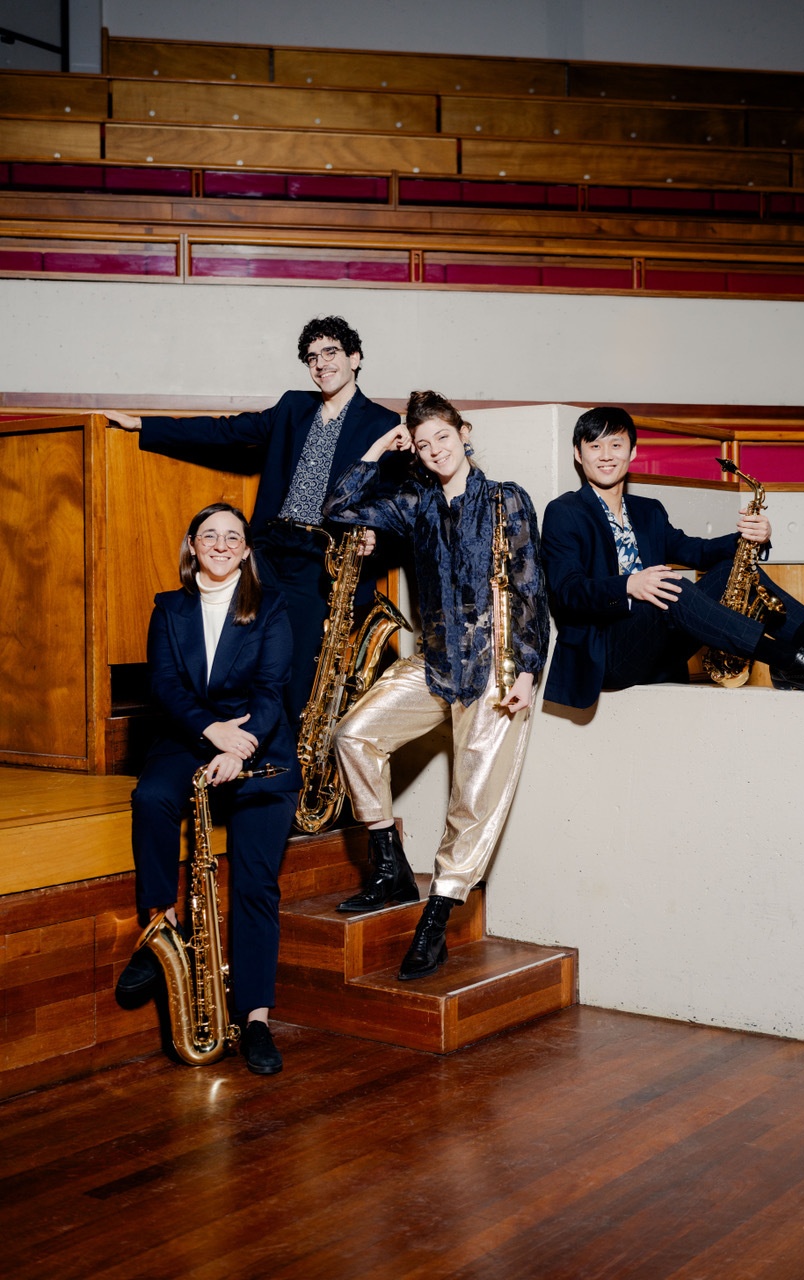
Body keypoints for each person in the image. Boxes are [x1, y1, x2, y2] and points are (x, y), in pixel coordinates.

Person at [323, 391, 550, 980]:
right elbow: (339, 507)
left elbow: (530, 587)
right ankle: (389, 867)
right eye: (423, 444)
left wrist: (528, 670)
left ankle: (437, 917)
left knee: (471, 798)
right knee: (352, 735)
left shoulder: (505, 499)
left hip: (497, 668)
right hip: (436, 662)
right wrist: (381, 446)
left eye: (442, 437)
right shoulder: (414, 503)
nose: (434, 450)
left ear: (464, 432)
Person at [104, 315, 401, 722]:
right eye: (312, 357)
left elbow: (391, 501)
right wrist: (143, 425)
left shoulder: (382, 423)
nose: (320, 363)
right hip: (268, 550)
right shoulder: (293, 407)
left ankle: (287, 756)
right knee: (246, 656)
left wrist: (375, 537)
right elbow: (225, 432)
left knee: (296, 671)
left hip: (321, 560)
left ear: (355, 358)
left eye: (330, 352)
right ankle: (237, 743)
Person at [114, 502, 301, 1075]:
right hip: (191, 735)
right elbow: (165, 686)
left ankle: (257, 1019)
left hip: (257, 743)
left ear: (246, 551)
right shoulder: (168, 608)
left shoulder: (272, 606)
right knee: (150, 798)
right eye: (209, 535)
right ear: (192, 546)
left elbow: (271, 688)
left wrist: (236, 746)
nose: (221, 544)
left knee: (254, 883)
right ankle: (160, 931)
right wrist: (210, 731)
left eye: (232, 537)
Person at [541, 406, 804, 710]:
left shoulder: (648, 511)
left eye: (616, 445)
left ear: (632, 452)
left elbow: (698, 551)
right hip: (606, 654)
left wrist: (750, 538)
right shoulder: (565, 512)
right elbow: (567, 591)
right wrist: (630, 585)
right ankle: (788, 660)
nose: (606, 455)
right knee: (671, 584)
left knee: (725, 571)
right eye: (595, 446)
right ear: (578, 454)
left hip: (658, 649)